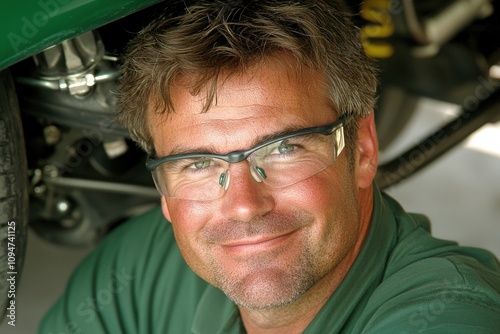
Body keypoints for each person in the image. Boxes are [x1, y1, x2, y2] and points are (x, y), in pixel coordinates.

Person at [39, 0, 500, 333]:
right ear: (163, 189)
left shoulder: (450, 316)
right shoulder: (140, 271)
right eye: (196, 164)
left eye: (282, 149)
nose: (243, 206)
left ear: (361, 147)